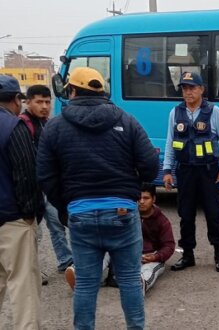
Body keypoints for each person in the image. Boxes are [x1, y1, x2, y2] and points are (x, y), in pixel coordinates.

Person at [37, 67, 159, 330]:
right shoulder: (126, 120)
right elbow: (150, 165)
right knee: (128, 279)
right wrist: (130, 190)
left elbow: (45, 175)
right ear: (102, 92)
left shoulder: (56, 126)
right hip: (123, 212)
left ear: (71, 91)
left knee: (86, 284)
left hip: (80, 214)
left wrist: (67, 205)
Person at [162, 71, 219, 272]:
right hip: (185, 171)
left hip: (208, 171)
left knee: (213, 213)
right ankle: (188, 256)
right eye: (184, 88)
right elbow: (169, 143)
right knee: (185, 214)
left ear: (202, 89)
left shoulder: (214, 111)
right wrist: (167, 170)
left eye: (192, 88)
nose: (188, 92)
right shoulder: (175, 113)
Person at [67, 183, 175, 294]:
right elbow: (109, 235)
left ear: (154, 199)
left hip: (149, 257)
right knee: (103, 253)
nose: (141, 202)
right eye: (138, 198)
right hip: (125, 252)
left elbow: (169, 246)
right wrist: (120, 218)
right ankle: (79, 274)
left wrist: (155, 256)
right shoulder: (127, 213)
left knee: (150, 269)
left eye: (146, 198)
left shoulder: (162, 221)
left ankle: (140, 285)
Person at [0, 74, 44, 329]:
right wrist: (31, 213)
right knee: (23, 286)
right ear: (17, 100)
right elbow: (27, 174)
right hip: (13, 219)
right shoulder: (14, 127)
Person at [21, 85, 74, 274]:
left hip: (49, 186)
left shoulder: (49, 124)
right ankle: (33, 269)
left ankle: (65, 260)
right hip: (31, 188)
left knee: (57, 224)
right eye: (39, 102)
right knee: (34, 232)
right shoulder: (22, 125)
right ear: (28, 102)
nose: (44, 106)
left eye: (47, 101)